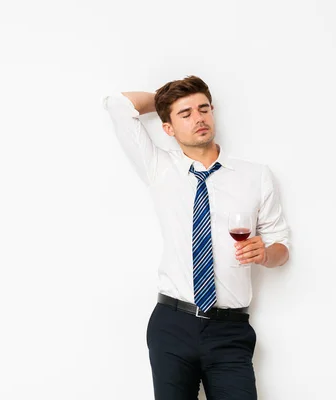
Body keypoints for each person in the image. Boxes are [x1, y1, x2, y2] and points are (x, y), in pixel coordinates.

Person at [102, 76, 291, 400]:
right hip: (172, 324)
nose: (198, 118)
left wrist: (266, 253)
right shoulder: (159, 167)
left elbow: (281, 247)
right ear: (168, 128)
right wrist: (165, 100)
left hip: (229, 330)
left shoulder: (255, 175)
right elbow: (118, 104)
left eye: (203, 109)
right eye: (185, 113)